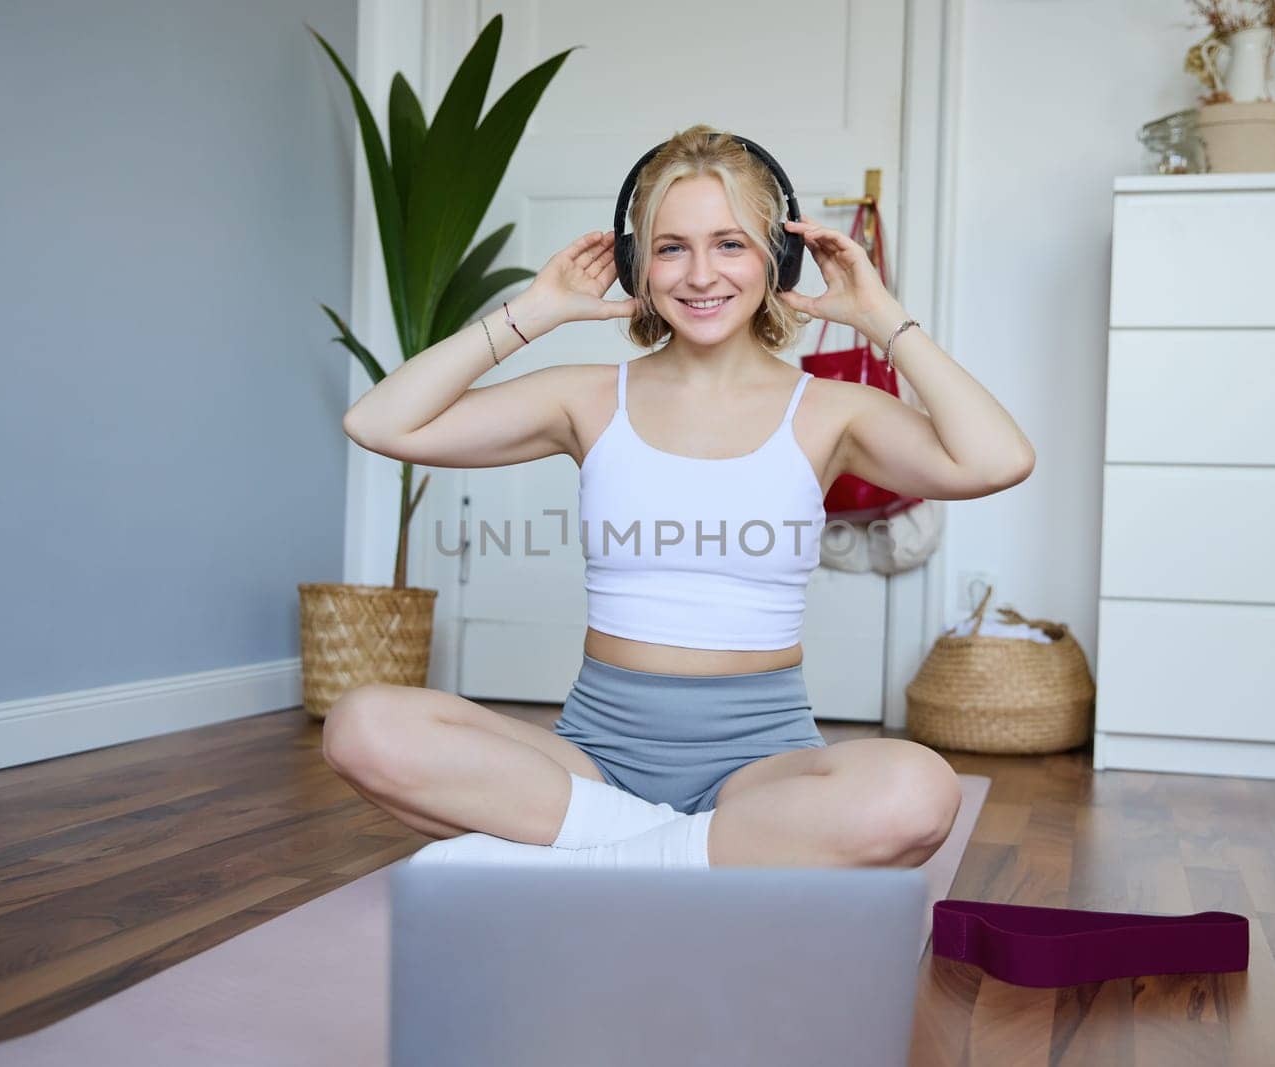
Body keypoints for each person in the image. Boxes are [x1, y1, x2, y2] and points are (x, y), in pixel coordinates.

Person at [325, 124, 1034, 870]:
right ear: (637, 264)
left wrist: (880, 318)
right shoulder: (587, 398)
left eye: (730, 243)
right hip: (593, 761)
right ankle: (683, 857)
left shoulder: (832, 410)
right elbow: (378, 421)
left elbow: (999, 458)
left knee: (918, 791)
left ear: (777, 256)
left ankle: (607, 853)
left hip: (762, 772)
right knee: (361, 725)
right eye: (671, 247)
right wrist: (534, 313)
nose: (700, 274)